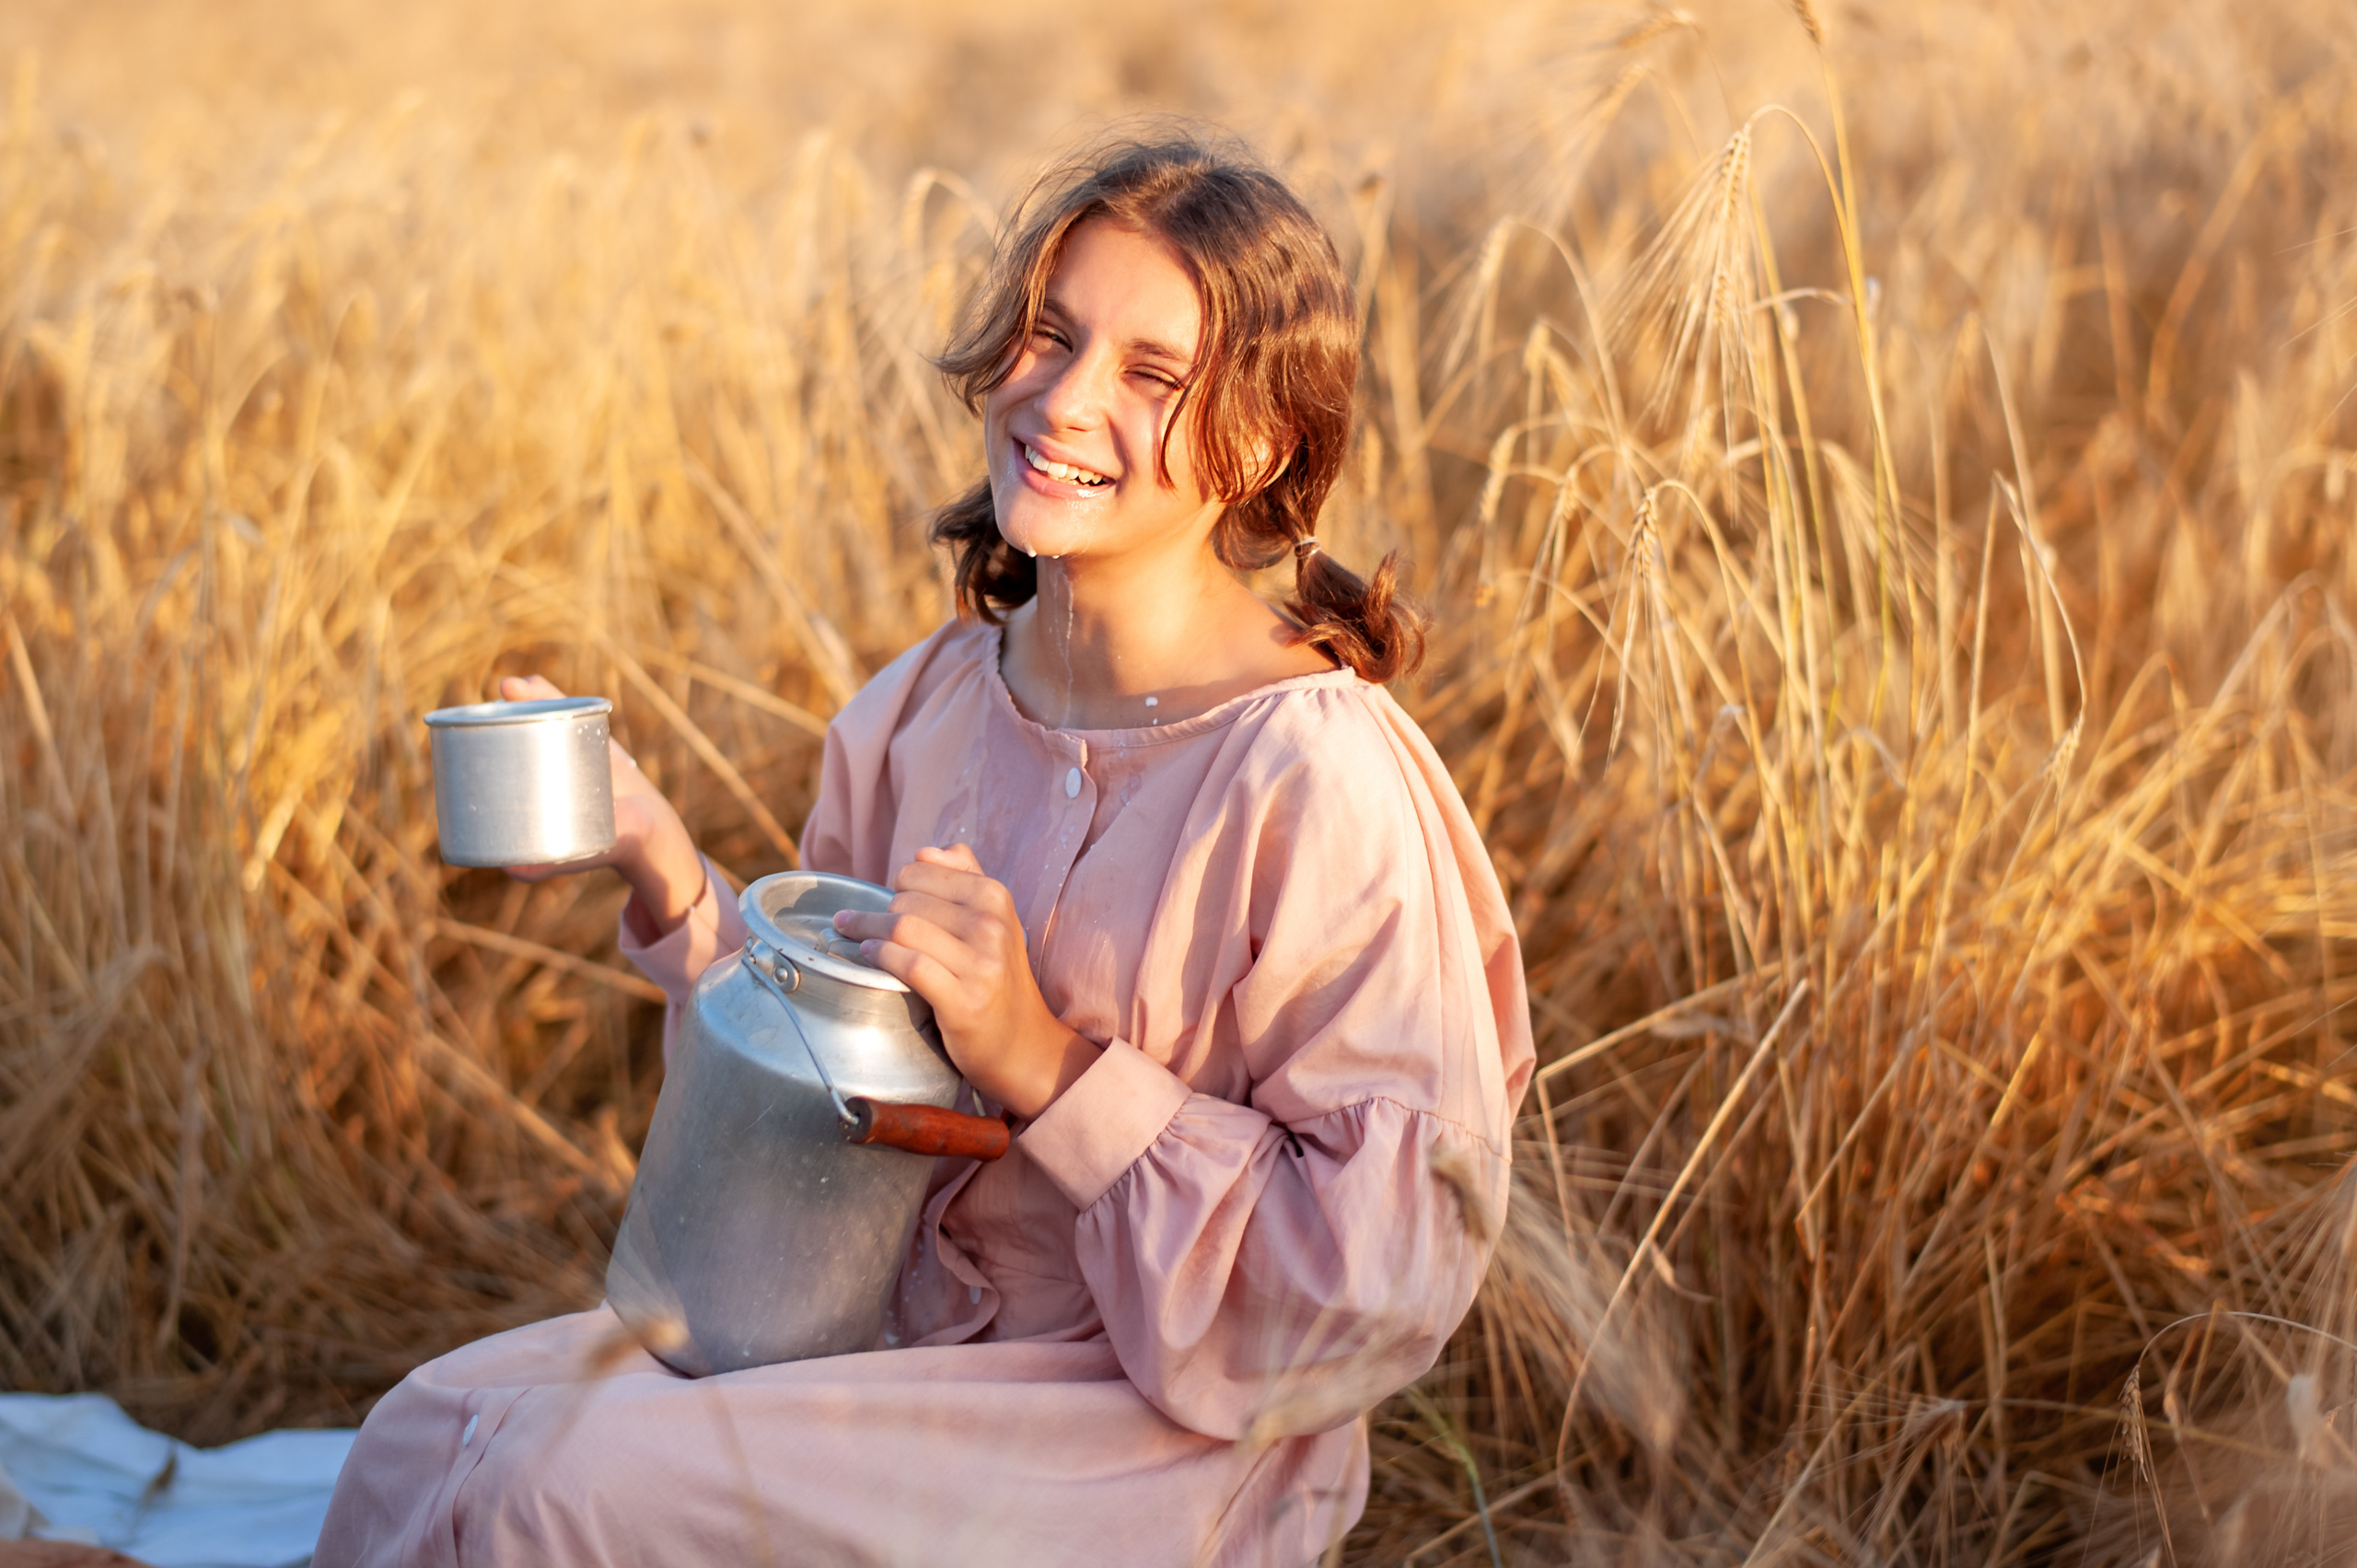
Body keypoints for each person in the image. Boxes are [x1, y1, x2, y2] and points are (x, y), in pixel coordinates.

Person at [315, 134, 1532, 1568]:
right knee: (425, 1436)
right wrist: (660, 865)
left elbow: (1377, 1272)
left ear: (1261, 444)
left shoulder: (1318, 778)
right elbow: (826, 1087)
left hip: (1146, 1421)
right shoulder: (933, 704)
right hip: (884, 1333)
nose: (1064, 400)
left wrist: (1046, 1065)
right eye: (1051, 335)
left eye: (1152, 374)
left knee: (553, 1490)